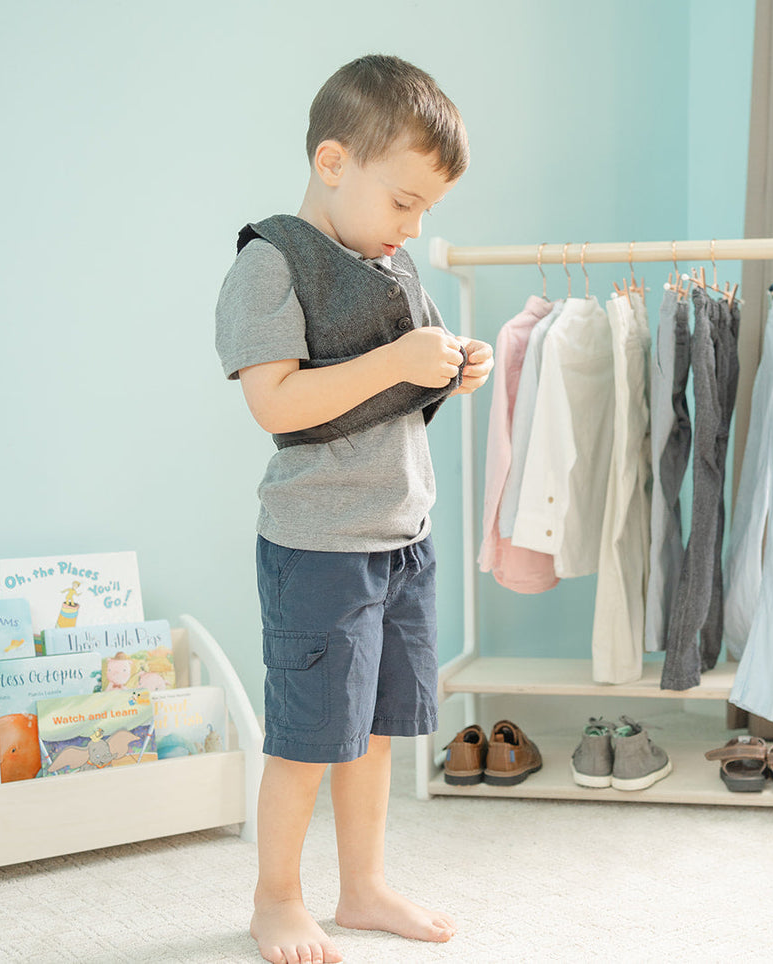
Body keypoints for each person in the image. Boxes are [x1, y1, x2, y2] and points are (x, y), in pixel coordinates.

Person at [214, 54, 491, 964]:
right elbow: (279, 406)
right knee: (306, 739)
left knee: (373, 731)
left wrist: (450, 370)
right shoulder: (270, 264)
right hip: (321, 546)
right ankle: (275, 898)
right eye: (403, 202)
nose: (409, 226)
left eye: (424, 212)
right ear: (333, 163)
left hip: (399, 536)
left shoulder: (387, 260)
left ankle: (364, 886)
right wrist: (397, 362)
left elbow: (388, 399)